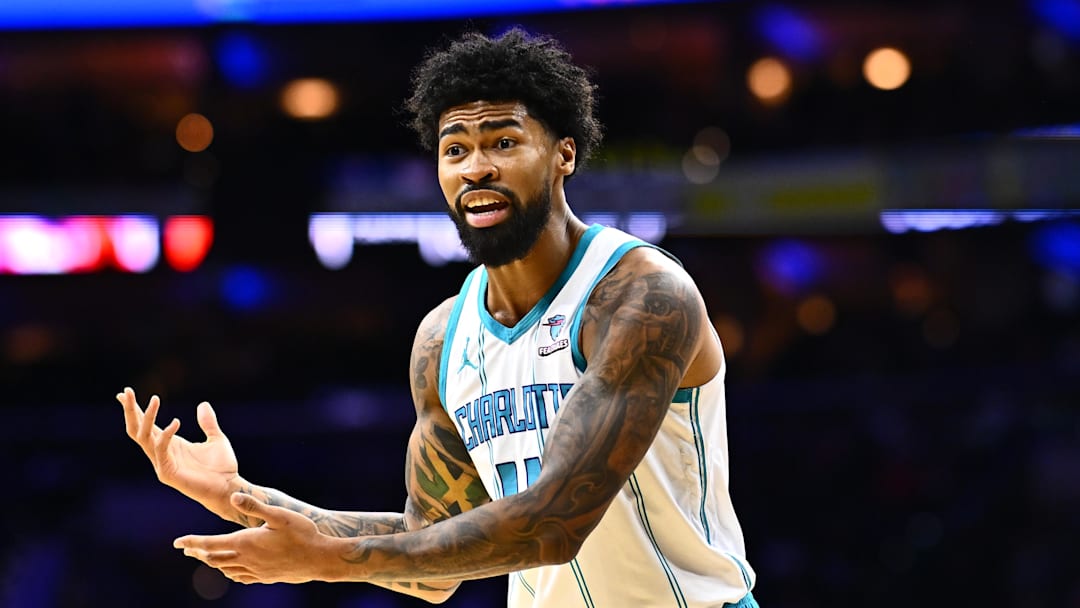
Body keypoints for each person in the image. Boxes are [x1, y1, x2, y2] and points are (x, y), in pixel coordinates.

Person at [119, 28, 758, 607]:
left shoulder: (640, 296)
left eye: (503, 142)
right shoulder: (443, 339)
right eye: (456, 149)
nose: (477, 167)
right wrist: (240, 496)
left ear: (564, 154)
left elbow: (555, 524)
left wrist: (327, 563)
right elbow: (429, 558)